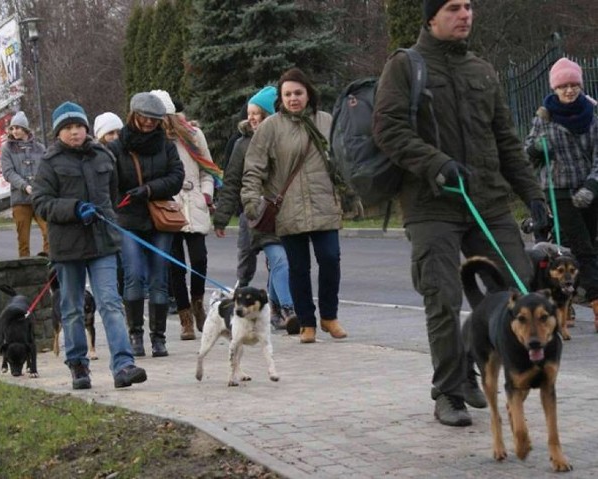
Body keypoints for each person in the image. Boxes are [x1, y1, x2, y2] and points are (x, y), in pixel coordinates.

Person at [372, 0, 548, 427]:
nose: (465, 14)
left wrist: (533, 194)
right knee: (443, 297)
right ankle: (449, 391)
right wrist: (436, 162)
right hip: (431, 202)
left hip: (487, 200)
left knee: (516, 284)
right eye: (453, 7)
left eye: (469, 6)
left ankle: (471, 360)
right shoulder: (405, 66)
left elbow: (506, 139)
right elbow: (387, 128)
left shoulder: (482, 70)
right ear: (431, 17)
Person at [32, 101, 147, 390]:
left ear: (87, 128)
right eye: (68, 128)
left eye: (79, 127)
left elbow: (112, 193)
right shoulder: (49, 162)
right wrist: (73, 209)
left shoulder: (102, 155)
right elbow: (41, 203)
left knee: (110, 302)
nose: (75, 133)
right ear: (59, 132)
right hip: (67, 247)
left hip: (102, 242)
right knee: (71, 307)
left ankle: (123, 365)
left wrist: (106, 216)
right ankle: (78, 365)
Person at [242, 68, 347, 346]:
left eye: (298, 93)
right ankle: (307, 323)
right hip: (288, 208)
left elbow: (343, 158)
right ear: (281, 98)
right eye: (287, 94)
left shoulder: (326, 121)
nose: (293, 98)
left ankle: (329, 316)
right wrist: (251, 200)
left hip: (323, 203)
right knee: (298, 268)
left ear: (308, 93)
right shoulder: (270, 127)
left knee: (330, 258)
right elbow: (254, 167)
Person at [215, 86, 299, 332]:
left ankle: (275, 310)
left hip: (283, 212)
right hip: (255, 215)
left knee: (279, 263)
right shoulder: (242, 145)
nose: (251, 118)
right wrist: (221, 216)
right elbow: (232, 181)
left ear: (269, 114)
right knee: (263, 262)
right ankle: (287, 309)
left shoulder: (285, 140)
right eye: (249, 113)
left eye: (257, 113)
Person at [107, 92, 184, 357]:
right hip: (128, 220)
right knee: (134, 275)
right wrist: (123, 200)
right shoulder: (116, 148)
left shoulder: (166, 145)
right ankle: (136, 334)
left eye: (155, 119)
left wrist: (149, 189)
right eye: (145, 118)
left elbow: (176, 177)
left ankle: (159, 337)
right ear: (134, 115)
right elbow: (109, 184)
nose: (150, 123)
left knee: (159, 278)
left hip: (160, 218)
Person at [525, 57, 598, 333]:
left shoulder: (592, 118)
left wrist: (591, 186)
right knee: (582, 249)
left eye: (573, 85)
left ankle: (566, 303)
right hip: (558, 189)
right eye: (563, 86)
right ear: (555, 88)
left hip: (589, 190)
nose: (569, 91)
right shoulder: (544, 118)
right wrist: (536, 150)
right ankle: (594, 303)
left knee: (586, 245)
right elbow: (527, 153)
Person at [150, 90, 219, 339]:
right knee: (175, 266)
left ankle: (198, 303)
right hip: (169, 207)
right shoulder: (154, 142)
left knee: (199, 259)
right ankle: (185, 318)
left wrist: (207, 195)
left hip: (195, 203)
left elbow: (207, 170)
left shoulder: (192, 135)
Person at [0, 111, 49, 257]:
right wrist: (24, 186)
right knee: (23, 240)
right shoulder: (7, 148)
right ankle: (26, 270)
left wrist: (42, 187)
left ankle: (49, 264)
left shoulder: (40, 148)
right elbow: (8, 172)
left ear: (25, 129)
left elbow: (47, 169)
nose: (14, 131)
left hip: (40, 198)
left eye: (18, 128)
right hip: (20, 200)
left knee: (49, 232)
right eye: (12, 128)